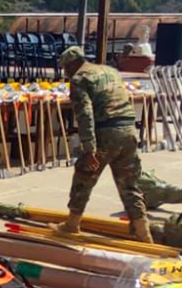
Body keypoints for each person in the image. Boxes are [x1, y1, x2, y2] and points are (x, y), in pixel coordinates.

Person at [54, 46, 151, 242]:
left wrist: (89, 149)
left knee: (84, 176)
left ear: (72, 64)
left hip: (106, 133)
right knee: (129, 184)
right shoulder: (110, 71)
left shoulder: (79, 79)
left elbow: (85, 114)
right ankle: (143, 233)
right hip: (129, 130)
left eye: (65, 68)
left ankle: (71, 225)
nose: (65, 72)